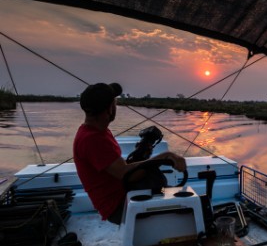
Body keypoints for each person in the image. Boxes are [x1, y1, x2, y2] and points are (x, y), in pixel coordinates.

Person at [73, 82, 186, 224]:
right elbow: (127, 175)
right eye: (115, 102)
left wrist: (141, 155)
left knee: (173, 192)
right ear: (109, 109)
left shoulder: (98, 132)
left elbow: (119, 169)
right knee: (185, 205)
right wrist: (165, 156)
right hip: (118, 205)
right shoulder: (93, 139)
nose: (116, 105)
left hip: (126, 191)